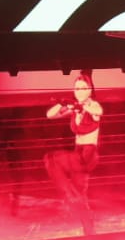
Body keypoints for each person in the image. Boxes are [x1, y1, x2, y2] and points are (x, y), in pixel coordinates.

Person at [44, 73, 103, 211]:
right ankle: (85, 219)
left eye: (83, 88)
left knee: (50, 159)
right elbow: (50, 115)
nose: (80, 92)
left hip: (88, 154)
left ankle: (69, 196)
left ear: (89, 90)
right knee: (80, 192)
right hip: (78, 153)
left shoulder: (93, 105)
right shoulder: (75, 109)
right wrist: (62, 103)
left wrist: (82, 107)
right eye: (77, 89)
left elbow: (99, 111)